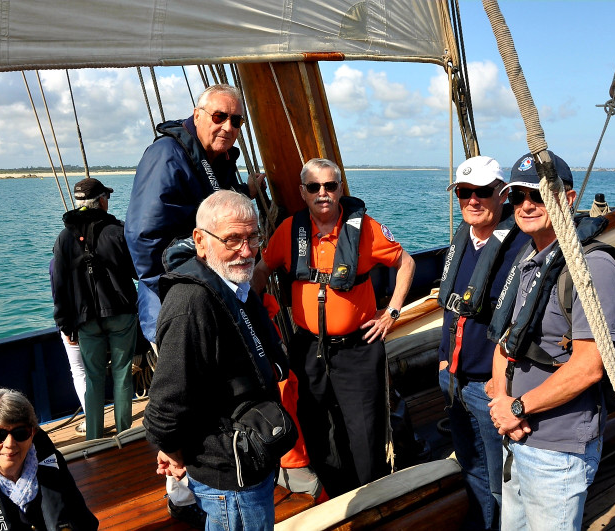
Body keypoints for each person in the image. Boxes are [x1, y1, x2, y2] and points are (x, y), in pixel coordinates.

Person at [124, 83, 264, 521]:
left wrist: (246, 192)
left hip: (218, 298)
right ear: (197, 114)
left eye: (236, 120)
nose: (227, 126)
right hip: (180, 303)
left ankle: (202, 481)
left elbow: (215, 213)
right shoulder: (168, 155)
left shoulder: (219, 161)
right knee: (184, 393)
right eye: (218, 116)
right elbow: (143, 237)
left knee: (214, 393)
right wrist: (182, 292)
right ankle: (183, 494)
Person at [252, 157, 416, 497]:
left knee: (365, 427)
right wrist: (250, 314)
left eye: (330, 185)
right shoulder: (290, 231)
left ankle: (370, 495)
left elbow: (406, 262)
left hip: (357, 348)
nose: (322, 193)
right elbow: (262, 269)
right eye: (314, 187)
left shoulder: (366, 229)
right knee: (314, 424)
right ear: (303, 192)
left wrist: (392, 312)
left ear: (341, 189)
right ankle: (337, 493)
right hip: (309, 348)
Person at [487, 152, 615, 529]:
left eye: (539, 195)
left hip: (557, 451)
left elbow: (588, 368)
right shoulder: (531, 259)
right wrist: (502, 403)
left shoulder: (593, 267)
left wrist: (517, 408)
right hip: (515, 435)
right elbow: (506, 341)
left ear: (568, 198)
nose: (526, 205)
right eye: (518, 196)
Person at [143, 190, 290, 531]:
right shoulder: (190, 304)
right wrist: (171, 449)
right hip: (229, 475)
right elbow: (165, 405)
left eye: (253, 237)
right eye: (233, 239)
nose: (247, 251)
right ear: (200, 240)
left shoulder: (235, 288)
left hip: (249, 456)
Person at [437, 156, 529, 530]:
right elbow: (452, 309)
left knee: (501, 481)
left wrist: (501, 383)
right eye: (464, 192)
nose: (472, 200)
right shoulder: (464, 238)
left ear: (502, 194)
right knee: (472, 469)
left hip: (490, 388)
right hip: (453, 378)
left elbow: (525, 321)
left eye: (483, 192)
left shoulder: (522, 247)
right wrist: (443, 359)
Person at [0, 388, 98, 530]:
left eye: (20, 433)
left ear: (32, 434)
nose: (10, 444)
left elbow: (86, 524)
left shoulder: (53, 467)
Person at [52, 177, 138, 441]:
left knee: (93, 378)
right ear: (101, 201)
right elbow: (137, 271)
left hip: (85, 319)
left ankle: (94, 437)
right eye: (106, 197)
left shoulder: (64, 238)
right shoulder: (117, 232)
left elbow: (59, 284)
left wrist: (64, 323)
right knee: (122, 375)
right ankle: (124, 433)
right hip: (120, 314)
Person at [49, 258, 87, 434]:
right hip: (101, 320)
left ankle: (92, 419)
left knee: (79, 371)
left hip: (75, 325)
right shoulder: (94, 254)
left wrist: (65, 327)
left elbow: (59, 297)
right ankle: (122, 418)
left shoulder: (57, 263)